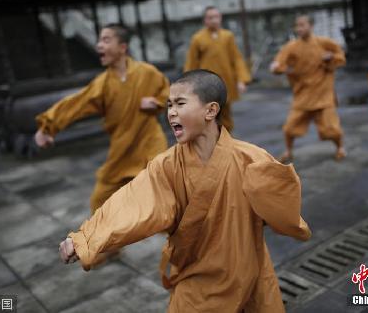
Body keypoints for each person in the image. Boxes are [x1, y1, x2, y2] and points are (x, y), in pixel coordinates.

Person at [59, 70, 311, 312]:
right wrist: (85, 238)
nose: (171, 113)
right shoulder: (166, 166)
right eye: (169, 105)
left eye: (180, 104)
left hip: (251, 269)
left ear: (211, 110)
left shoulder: (252, 158)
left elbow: (283, 208)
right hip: (197, 277)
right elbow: (132, 204)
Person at [35, 24, 169, 214]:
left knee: (165, 195)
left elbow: (168, 91)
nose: (99, 45)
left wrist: (157, 102)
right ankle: (111, 242)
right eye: (99, 40)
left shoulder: (147, 72)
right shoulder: (102, 84)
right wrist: (47, 127)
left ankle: (189, 236)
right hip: (121, 153)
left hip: (150, 145)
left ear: (122, 47)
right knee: (100, 203)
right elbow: (76, 103)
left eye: (106, 40)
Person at [270, 14, 346, 162]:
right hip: (303, 94)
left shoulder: (324, 43)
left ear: (311, 26)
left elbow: (340, 57)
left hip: (323, 94)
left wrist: (330, 58)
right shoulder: (291, 47)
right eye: (297, 25)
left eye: (302, 25)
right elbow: (279, 62)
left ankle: (340, 147)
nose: (299, 28)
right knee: (289, 128)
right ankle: (288, 151)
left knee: (332, 129)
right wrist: (276, 68)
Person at [184, 6, 251, 132]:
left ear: (220, 18)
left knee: (226, 115)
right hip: (206, 84)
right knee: (210, 114)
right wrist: (188, 84)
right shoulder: (198, 39)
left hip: (226, 82)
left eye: (216, 17)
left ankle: (226, 143)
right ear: (205, 20)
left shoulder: (228, 36)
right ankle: (212, 142)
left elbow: (236, 58)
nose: (214, 20)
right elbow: (191, 63)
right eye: (210, 17)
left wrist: (242, 79)